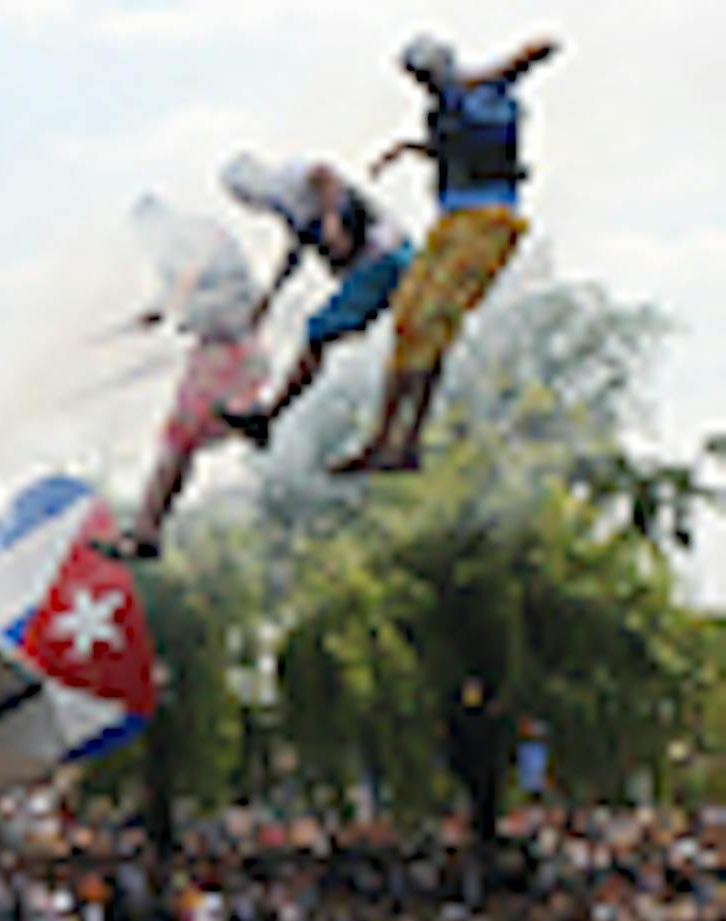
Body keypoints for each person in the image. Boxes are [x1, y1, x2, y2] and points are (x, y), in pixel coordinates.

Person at [331, 33, 559, 476]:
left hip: (489, 223)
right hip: (451, 223)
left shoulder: (485, 88)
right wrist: (409, 150)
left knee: (429, 323)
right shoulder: (441, 109)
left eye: (426, 74)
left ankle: (404, 441)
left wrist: (478, 76)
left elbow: (544, 46)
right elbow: (457, 149)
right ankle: (385, 442)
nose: (423, 85)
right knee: (407, 321)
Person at [93, 195, 266, 561]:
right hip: (220, 349)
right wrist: (146, 317)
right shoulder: (177, 250)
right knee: (177, 445)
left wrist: (169, 303)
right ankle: (146, 530)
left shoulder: (195, 235)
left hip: (230, 347)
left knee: (179, 443)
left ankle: (246, 413)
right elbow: (175, 295)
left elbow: (191, 272)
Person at [214, 154, 414, 449]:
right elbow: (294, 253)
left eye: (242, 197)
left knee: (317, 332)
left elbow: (325, 175)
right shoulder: (287, 206)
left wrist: (331, 219)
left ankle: (268, 418)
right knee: (360, 335)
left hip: (382, 258)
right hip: (380, 265)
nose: (248, 205)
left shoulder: (289, 178)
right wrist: (268, 302)